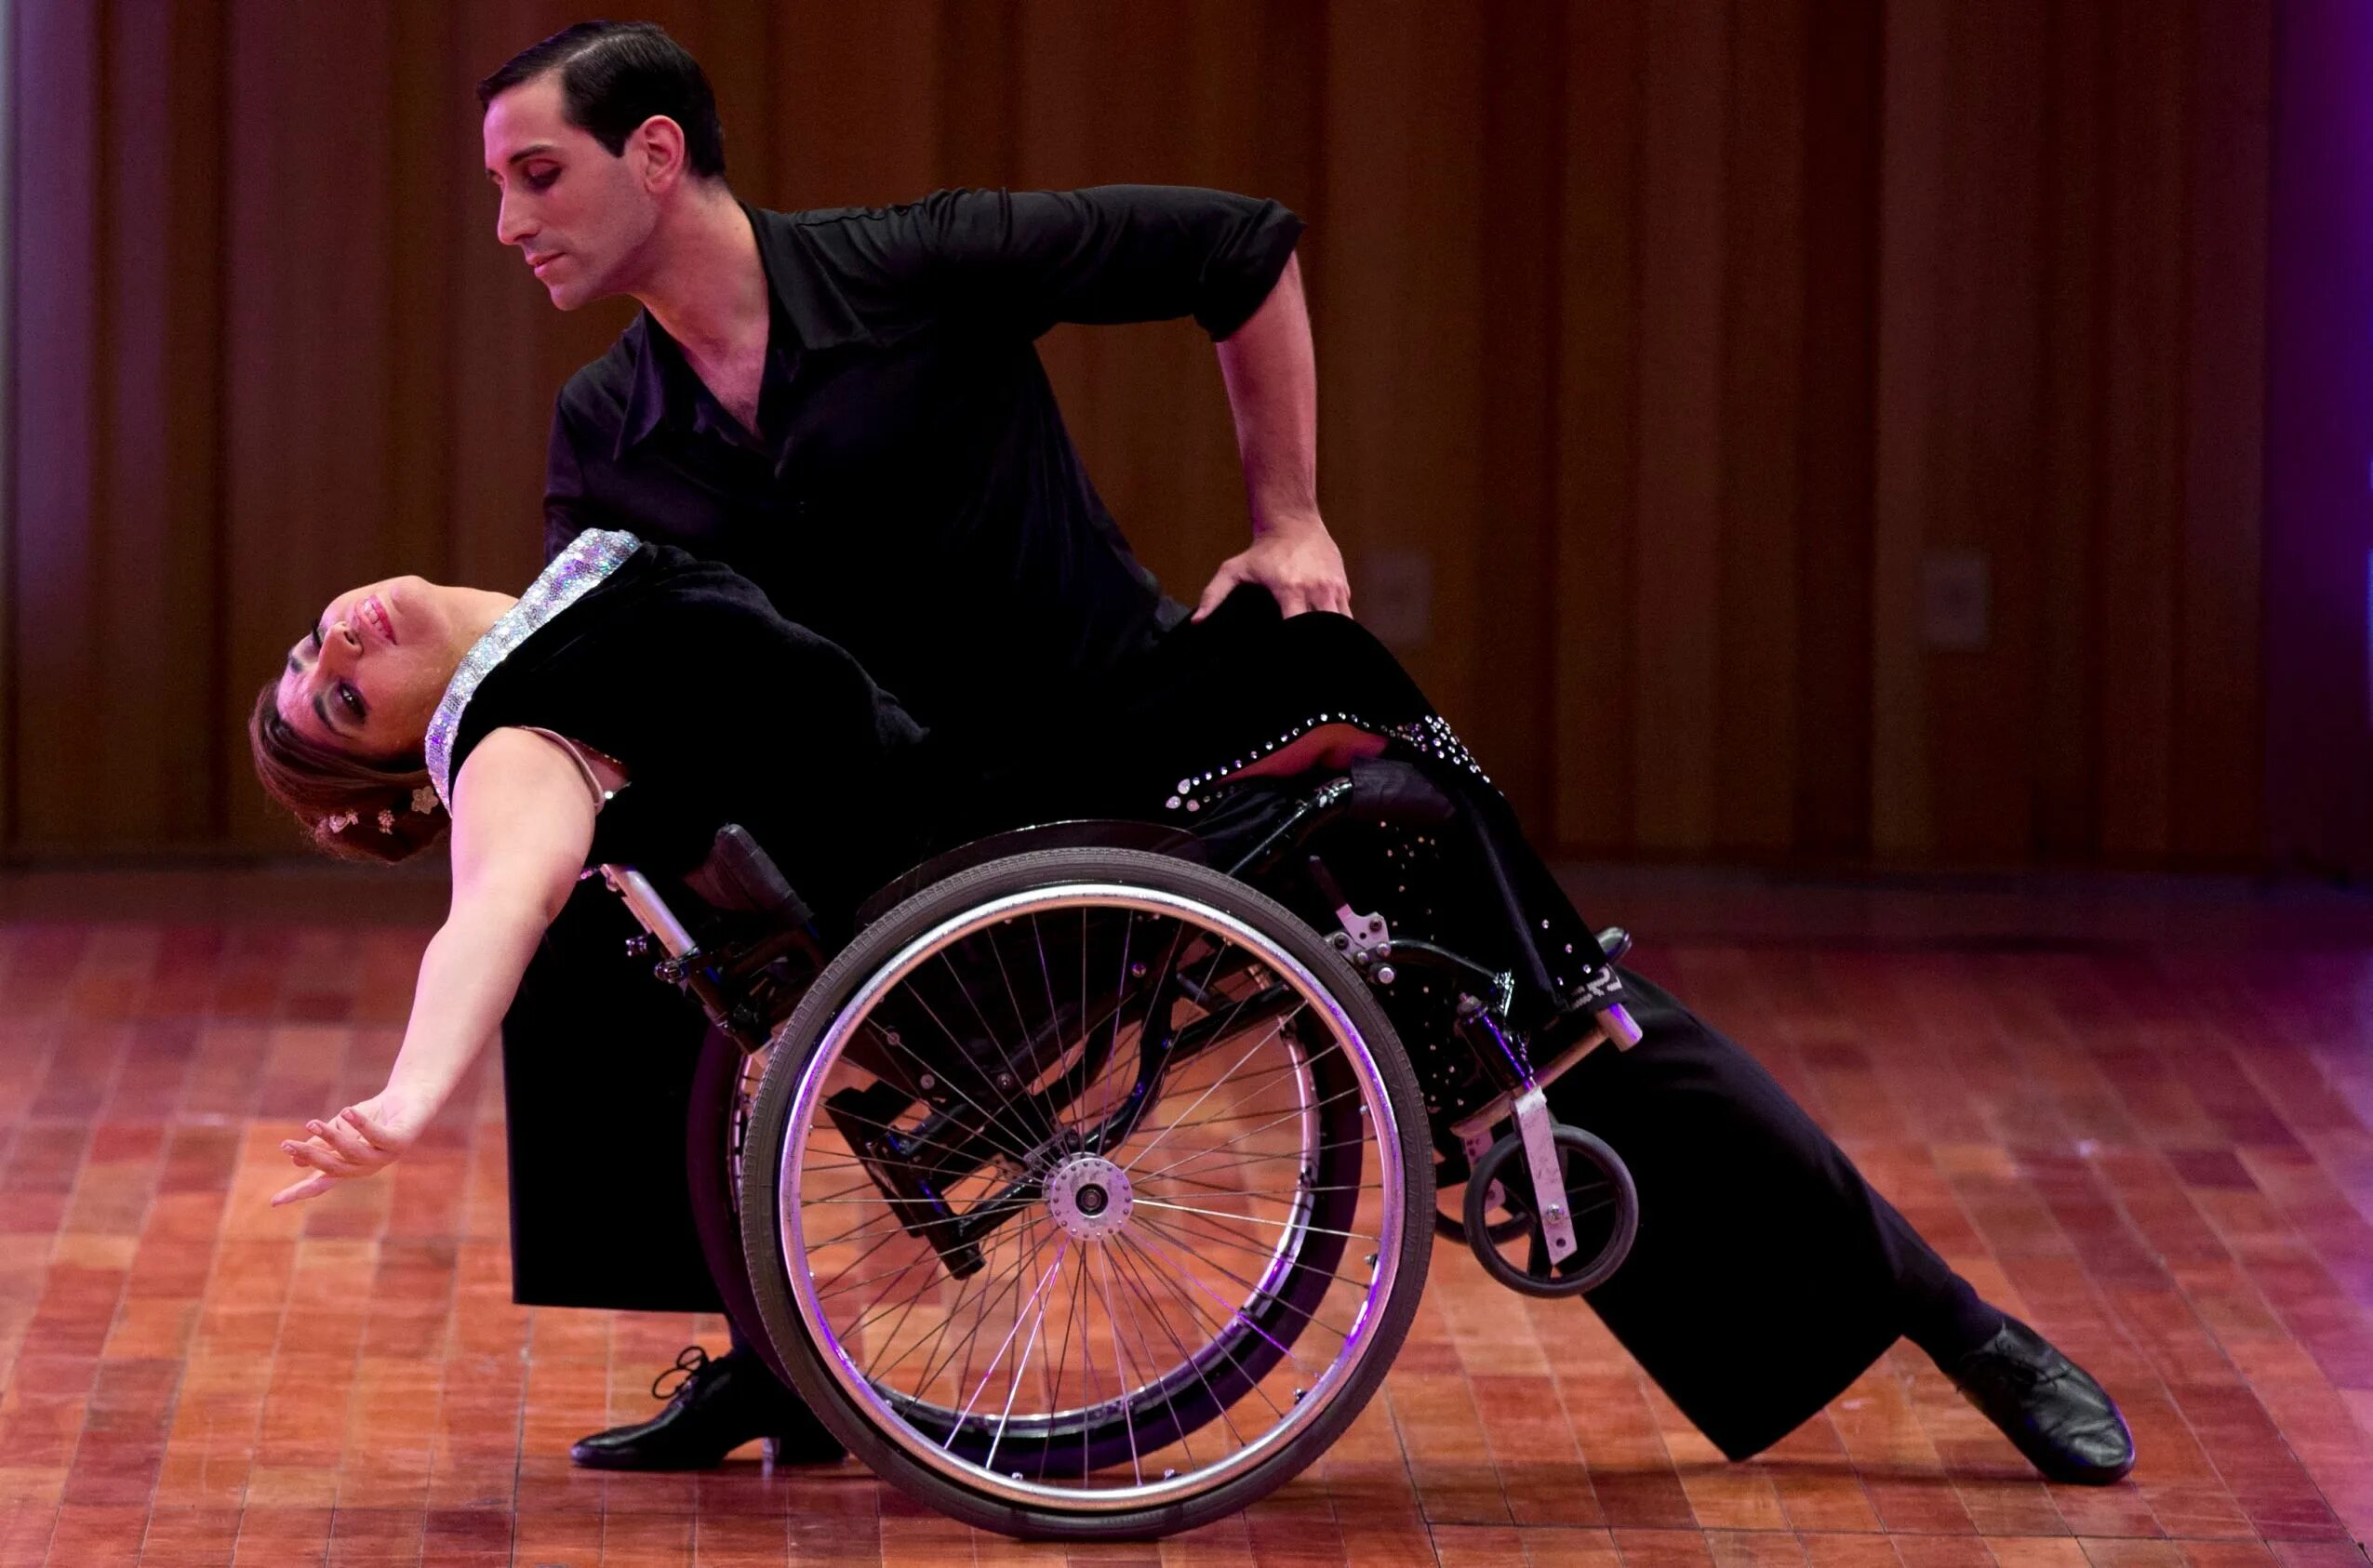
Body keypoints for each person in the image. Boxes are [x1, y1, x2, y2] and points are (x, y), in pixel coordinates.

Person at [454, 21, 2134, 1484]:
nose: (511, 221)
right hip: (919, 811)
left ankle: (1952, 1322)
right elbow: (605, 652)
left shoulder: (911, 264)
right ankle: (776, 1356)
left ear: (655, 154)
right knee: (603, 902)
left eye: (538, 176)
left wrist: (1291, 516)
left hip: (1125, 724)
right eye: (502, 188)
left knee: (1497, 935)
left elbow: (1238, 248)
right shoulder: (610, 424)